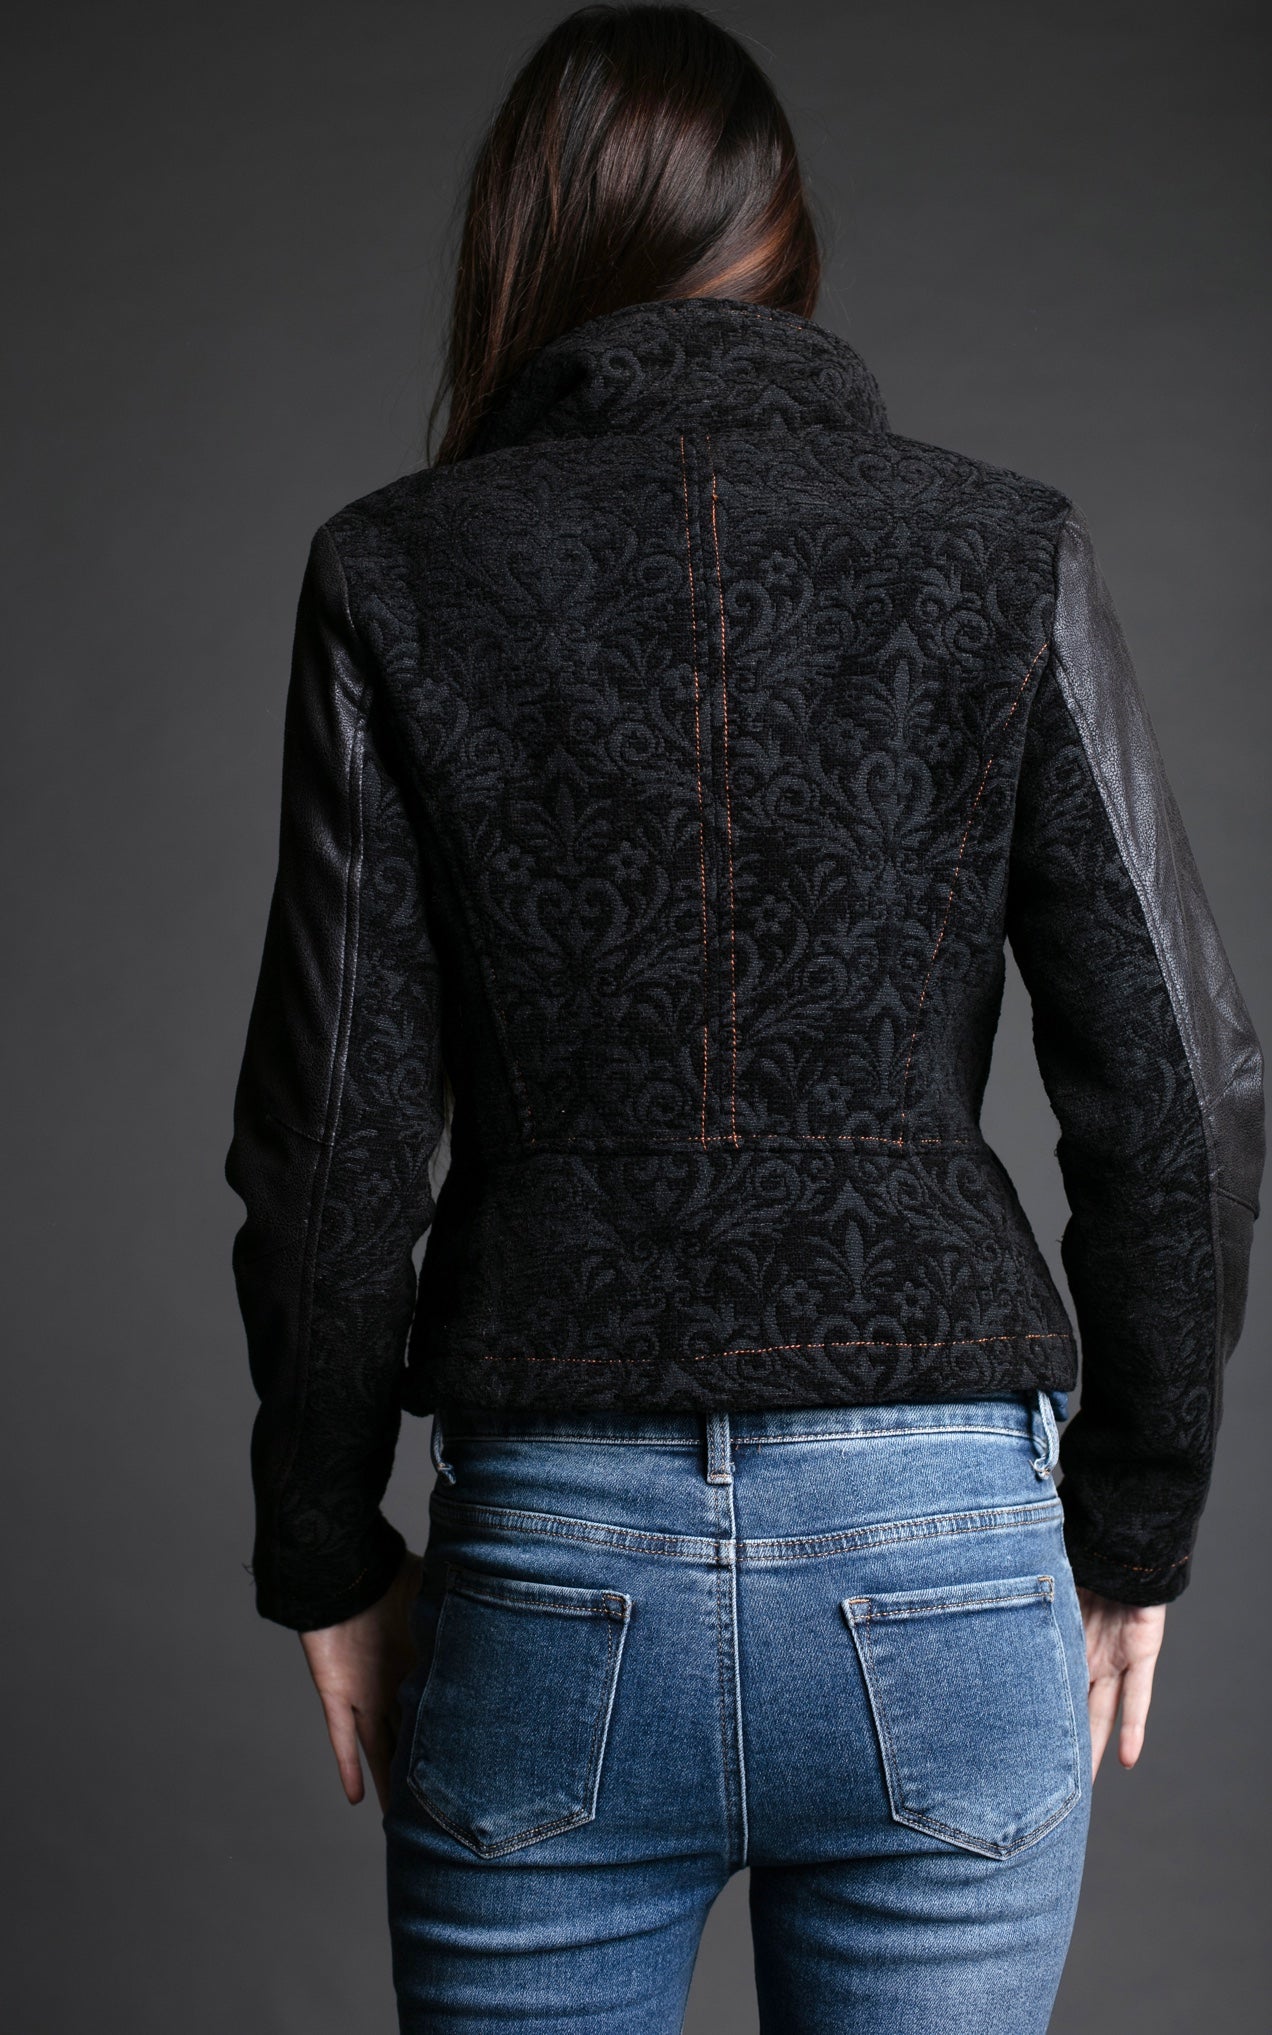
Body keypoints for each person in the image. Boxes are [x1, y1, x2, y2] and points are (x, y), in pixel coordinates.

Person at [224, 7, 1264, 2030]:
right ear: (786, 249)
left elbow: (333, 1135)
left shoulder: (399, 573)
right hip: (941, 1552)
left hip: (559, 1566)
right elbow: (1179, 1085)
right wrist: (1135, 1528)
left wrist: (326, 1549)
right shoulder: (1000, 551)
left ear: (524, 253)